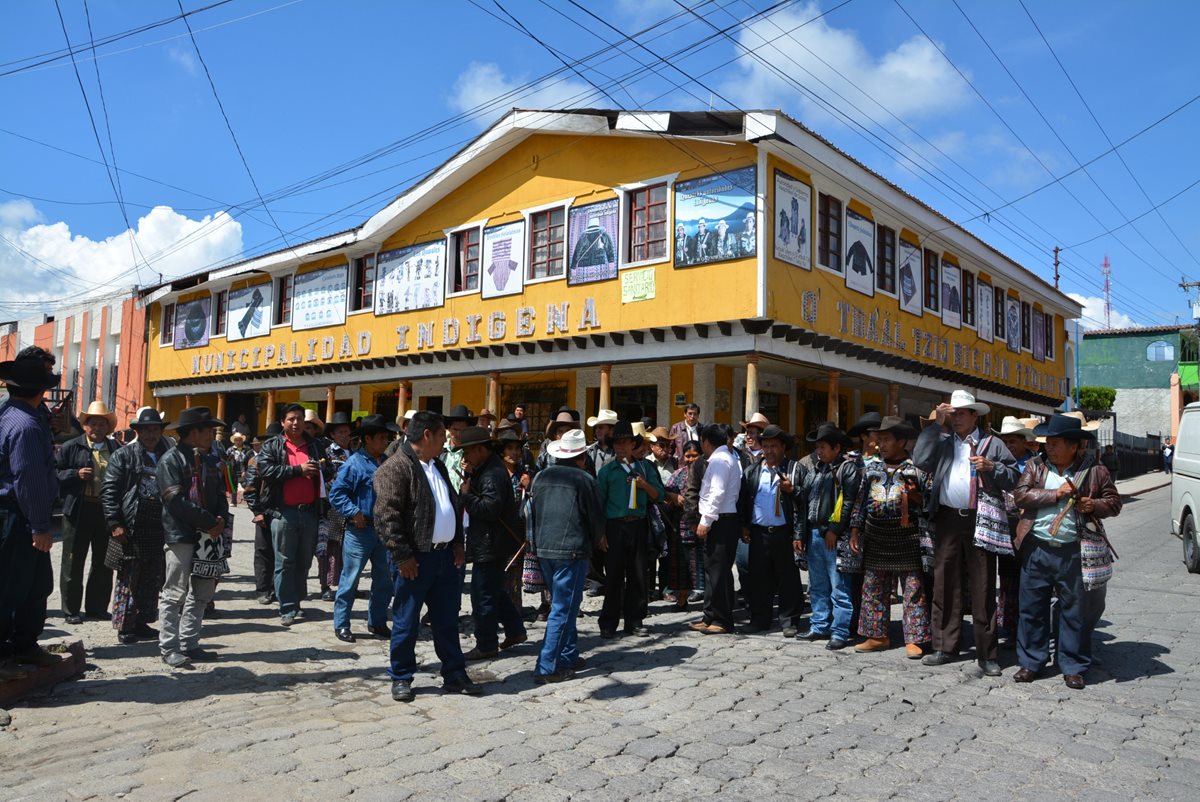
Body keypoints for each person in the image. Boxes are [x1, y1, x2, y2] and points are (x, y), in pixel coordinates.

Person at [374, 411, 481, 702]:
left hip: (444, 558)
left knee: (446, 620)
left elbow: (451, 504)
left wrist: (457, 543)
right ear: (427, 435)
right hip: (415, 559)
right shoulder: (396, 467)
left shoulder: (437, 465)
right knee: (407, 620)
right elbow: (386, 517)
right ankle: (401, 676)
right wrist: (402, 556)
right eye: (442, 434)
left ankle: (454, 673)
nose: (446, 440)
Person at [913, 390, 1019, 676]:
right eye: (953, 413)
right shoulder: (943, 441)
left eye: (961, 413)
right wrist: (937, 424)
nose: (957, 418)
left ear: (974, 415)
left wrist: (993, 467)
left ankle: (987, 653)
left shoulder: (992, 444)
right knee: (945, 583)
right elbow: (920, 459)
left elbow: (1015, 478)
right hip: (948, 519)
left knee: (983, 585)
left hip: (980, 518)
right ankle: (944, 646)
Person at [1013, 415, 1121, 690]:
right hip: (1037, 548)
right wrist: (1056, 494)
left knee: (1074, 611)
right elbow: (1020, 496)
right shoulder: (1036, 466)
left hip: (1074, 551)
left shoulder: (1095, 470)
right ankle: (1031, 662)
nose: (1049, 447)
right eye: (1047, 442)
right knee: (1031, 608)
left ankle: (1073, 666)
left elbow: (1114, 503)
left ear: (1074, 446)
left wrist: (1093, 505)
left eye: (1056, 443)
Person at [0, 351, 62, 675]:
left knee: (34, 585)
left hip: (16, 514)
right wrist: (40, 526)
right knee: (10, 589)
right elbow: (29, 479)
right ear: (41, 390)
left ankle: (24, 646)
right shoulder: (25, 425)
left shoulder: (11, 414)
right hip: (18, 516)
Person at [526, 428, 604, 683]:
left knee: (565, 605)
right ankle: (547, 666)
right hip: (571, 549)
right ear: (582, 457)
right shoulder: (584, 480)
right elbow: (595, 516)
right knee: (563, 608)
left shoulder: (540, 477)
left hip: (544, 548)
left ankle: (568, 655)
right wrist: (597, 539)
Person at [848, 417, 930, 658]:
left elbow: (931, 504)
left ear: (901, 442)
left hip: (907, 536)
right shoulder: (870, 469)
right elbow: (860, 501)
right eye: (879, 439)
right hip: (876, 535)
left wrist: (916, 497)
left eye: (886, 440)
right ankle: (877, 635)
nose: (880, 444)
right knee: (873, 588)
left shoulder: (917, 470)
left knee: (913, 589)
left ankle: (914, 638)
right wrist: (855, 530)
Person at [156, 407, 229, 669]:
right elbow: (174, 500)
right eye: (208, 430)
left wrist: (220, 519)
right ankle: (169, 647)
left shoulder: (209, 460)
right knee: (174, 592)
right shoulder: (170, 460)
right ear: (194, 432)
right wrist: (210, 522)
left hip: (208, 536)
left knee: (202, 593)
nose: (212, 435)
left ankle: (190, 642)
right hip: (181, 533)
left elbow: (220, 495)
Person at [101, 408, 171, 645]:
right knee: (128, 578)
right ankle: (125, 625)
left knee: (151, 578)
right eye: (146, 430)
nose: (152, 434)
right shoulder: (123, 455)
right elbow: (109, 490)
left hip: (158, 526)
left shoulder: (166, 455)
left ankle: (141, 622)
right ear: (138, 432)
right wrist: (114, 522)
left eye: (155, 429)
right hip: (131, 525)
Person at [457, 425, 526, 659]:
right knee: (494, 590)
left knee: (482, 595)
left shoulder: (492, 474)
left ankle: (486, 644)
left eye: (467, 451)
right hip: (490, 542)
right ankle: (515, 630)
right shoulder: (487, 468)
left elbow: (489, 509)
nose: (465, 456)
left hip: (490, 544)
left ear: (479, 449)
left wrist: (466, 495)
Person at [255, 404, 327, 627]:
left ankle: (296, 601)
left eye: (299, 419)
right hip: (283, 513)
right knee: (285, 561)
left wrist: (322, 469)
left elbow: (328, 471)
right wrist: (298, 470)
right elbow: (266, 471)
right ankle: (287, 607)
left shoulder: (315, 445)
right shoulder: (273, 445)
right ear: (282, 422)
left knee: (304, 561)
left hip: (309, 512)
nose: (296, 423)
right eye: (291, 419)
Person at [327, 414, 397, 643]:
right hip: (360, 530)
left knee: (384, 580)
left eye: (387, 437)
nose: (385, 441)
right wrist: (354, 512)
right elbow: (337, 494)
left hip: (383, 530)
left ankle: (377, 621)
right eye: (381, 437)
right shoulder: (354, 464)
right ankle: (341, 624)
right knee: (351, 578)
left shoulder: (386, 462)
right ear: (368, 439)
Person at [595, 420, 664, 638]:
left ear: (633, 444)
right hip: (614, 527)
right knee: (613, 576)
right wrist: (600, 533)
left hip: (638, 525)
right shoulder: (607, 472)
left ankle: (635, 621)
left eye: (625, 443)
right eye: (617, 443)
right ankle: (608, 622)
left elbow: (659, 495)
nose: (620, 447)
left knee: (638, 575)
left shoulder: (645, 468)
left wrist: (644, 485)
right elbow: (599, 505)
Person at [55, 401, 121, 625]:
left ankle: (97, 608)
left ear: (108, 427)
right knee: (73, 560)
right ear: (85, 425)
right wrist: (75, 474)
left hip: (105, 510)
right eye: (93, 424)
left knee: (103, 562)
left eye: (102, 424)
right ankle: (71, 609)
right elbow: (54, 473)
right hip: (78, 509)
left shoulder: (116, 449)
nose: (97, 428)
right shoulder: (71, 447)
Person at [737, 425, 807, 637]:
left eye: (773, 446)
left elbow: (806, 502)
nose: (769, 451)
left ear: (783, 447)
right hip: (759, 533)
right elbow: (744, 501)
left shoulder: (796, 469)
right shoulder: (752, 471)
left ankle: (789, 620)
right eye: (765, 446)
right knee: (759, 578)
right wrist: (745, 526)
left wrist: (792, 490)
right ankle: (760, 619)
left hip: (785, 533)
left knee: (788, 578)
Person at [798, 423, 862, 649]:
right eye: (817, 447)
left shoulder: (847, 469)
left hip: (834, 536)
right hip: (814, 533)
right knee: (817, 585)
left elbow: (849, 503)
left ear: (836, 448)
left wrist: (834, 529)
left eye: (823, 447)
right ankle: (819, 625)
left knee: (839, 587)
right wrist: (801, 533)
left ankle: (840, 631)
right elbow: (805, 503)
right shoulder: (816, 470)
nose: (819, 451)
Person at [689, 423, 743, 635]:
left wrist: (706, 520)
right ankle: (710, 615)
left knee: (718, 572)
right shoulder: (723, 458)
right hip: (721, 520)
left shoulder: (720, 460)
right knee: (712, 571)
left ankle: (722, 619)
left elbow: (717, 493)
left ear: (706, 442)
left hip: (721, 520)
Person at [996, 416, 1037, 648]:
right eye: (1005, 442)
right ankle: (1010, 627)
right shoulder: (999, 464)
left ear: (1024, 442)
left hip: (1030, 529)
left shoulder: (1035, 465)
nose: (1008, 446)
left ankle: (1029, 628)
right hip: (1005, 528)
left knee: (1029, 579)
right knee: (1008, 578)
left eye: (1013, 441)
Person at [242, 424, 281, 605]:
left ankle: (278, 588)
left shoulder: (285, 460)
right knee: (263, 551)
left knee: (281, 552)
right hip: (264, 511)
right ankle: (263, 589)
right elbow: (250, 489)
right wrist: (257, 512)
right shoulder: (256, 461)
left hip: (283, 511)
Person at [664, 440, 705, 610]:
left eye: (694, 455)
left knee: (704, 565)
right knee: (682, 567)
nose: (690, 459)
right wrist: (673, 497)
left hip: (704, 527)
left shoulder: (707, 473)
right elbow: (665, 491)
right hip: (680, 528)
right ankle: (682, 600)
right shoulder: (678, 474)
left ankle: (710, 604)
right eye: (687, 456)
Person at [318, 412, 354, 602]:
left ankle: (348, 585)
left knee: (349, 547)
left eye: (347, 431)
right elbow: (325, 480)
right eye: (340, 432)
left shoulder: (356, 453)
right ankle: (326, 585)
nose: (344, 435)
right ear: (332, 434)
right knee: (329, 546)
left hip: (352, 507)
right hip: (332, 507)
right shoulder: (327, 454)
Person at [441, 404, 478, 492]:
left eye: (462, 430)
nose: (458, 434)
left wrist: (472, 471)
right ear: (449, 429)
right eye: (455, 429)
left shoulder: (473, 453)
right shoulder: (440, 450)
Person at [585, 408, 618, 474]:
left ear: (611, 430)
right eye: (596, 427)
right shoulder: (590, 451)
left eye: (601, 427)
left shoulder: (619, 451)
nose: (597, 430)